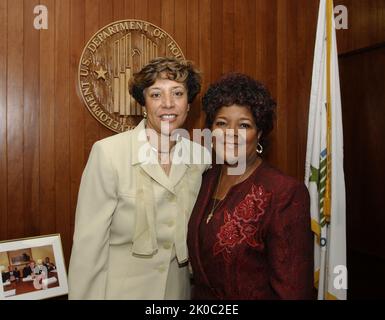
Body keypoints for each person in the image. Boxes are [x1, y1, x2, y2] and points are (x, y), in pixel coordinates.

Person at [68, 57, 210, 299]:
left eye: (177, 93)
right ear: (143, 103)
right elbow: (88, 247)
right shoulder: (108, 153)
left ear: (188, 104)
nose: (168, 104)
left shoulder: (202, 157)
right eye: (156, 94)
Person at [187, 73, 314, 299]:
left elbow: (293, 291)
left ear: (260, 133)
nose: (231, 134)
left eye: (244, 125)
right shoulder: (205, 178)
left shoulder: (284, 193)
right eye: (221, 123)